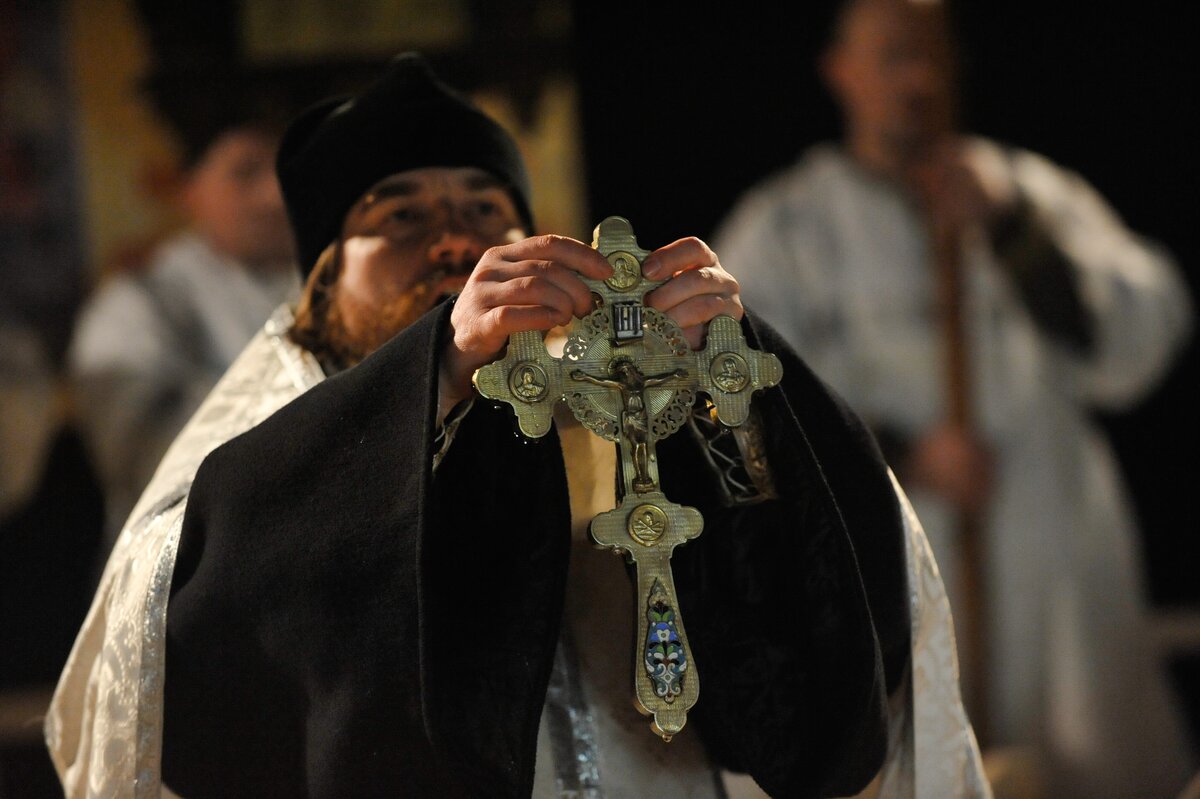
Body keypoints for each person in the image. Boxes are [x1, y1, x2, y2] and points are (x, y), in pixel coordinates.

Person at [47, 53, 989, 798]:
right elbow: (189, 624)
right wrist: (438, 372)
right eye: (400, 214)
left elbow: (809, 616)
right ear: (321, 286)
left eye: (484, 209)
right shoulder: (275, 421)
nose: (455, 236)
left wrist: (726, 389)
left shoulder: (613, 388)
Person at [713, 1, 1195, 796]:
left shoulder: (1029, 192)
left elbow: (1139, 340)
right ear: (841, 71)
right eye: (893, 55)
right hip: (890, 554)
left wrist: (1013, 231)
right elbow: (735, 394)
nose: (918, 78)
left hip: (1051, 559)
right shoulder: (789, 227)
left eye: (931, 54)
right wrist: (902, 451)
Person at [68, 113, 299, 549]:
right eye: (245, 172)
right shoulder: (135, 305)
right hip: (192, 555)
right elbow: (141, 459)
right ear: (188, 189)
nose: (274, 194)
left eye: (286, 167)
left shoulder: (336, 281)